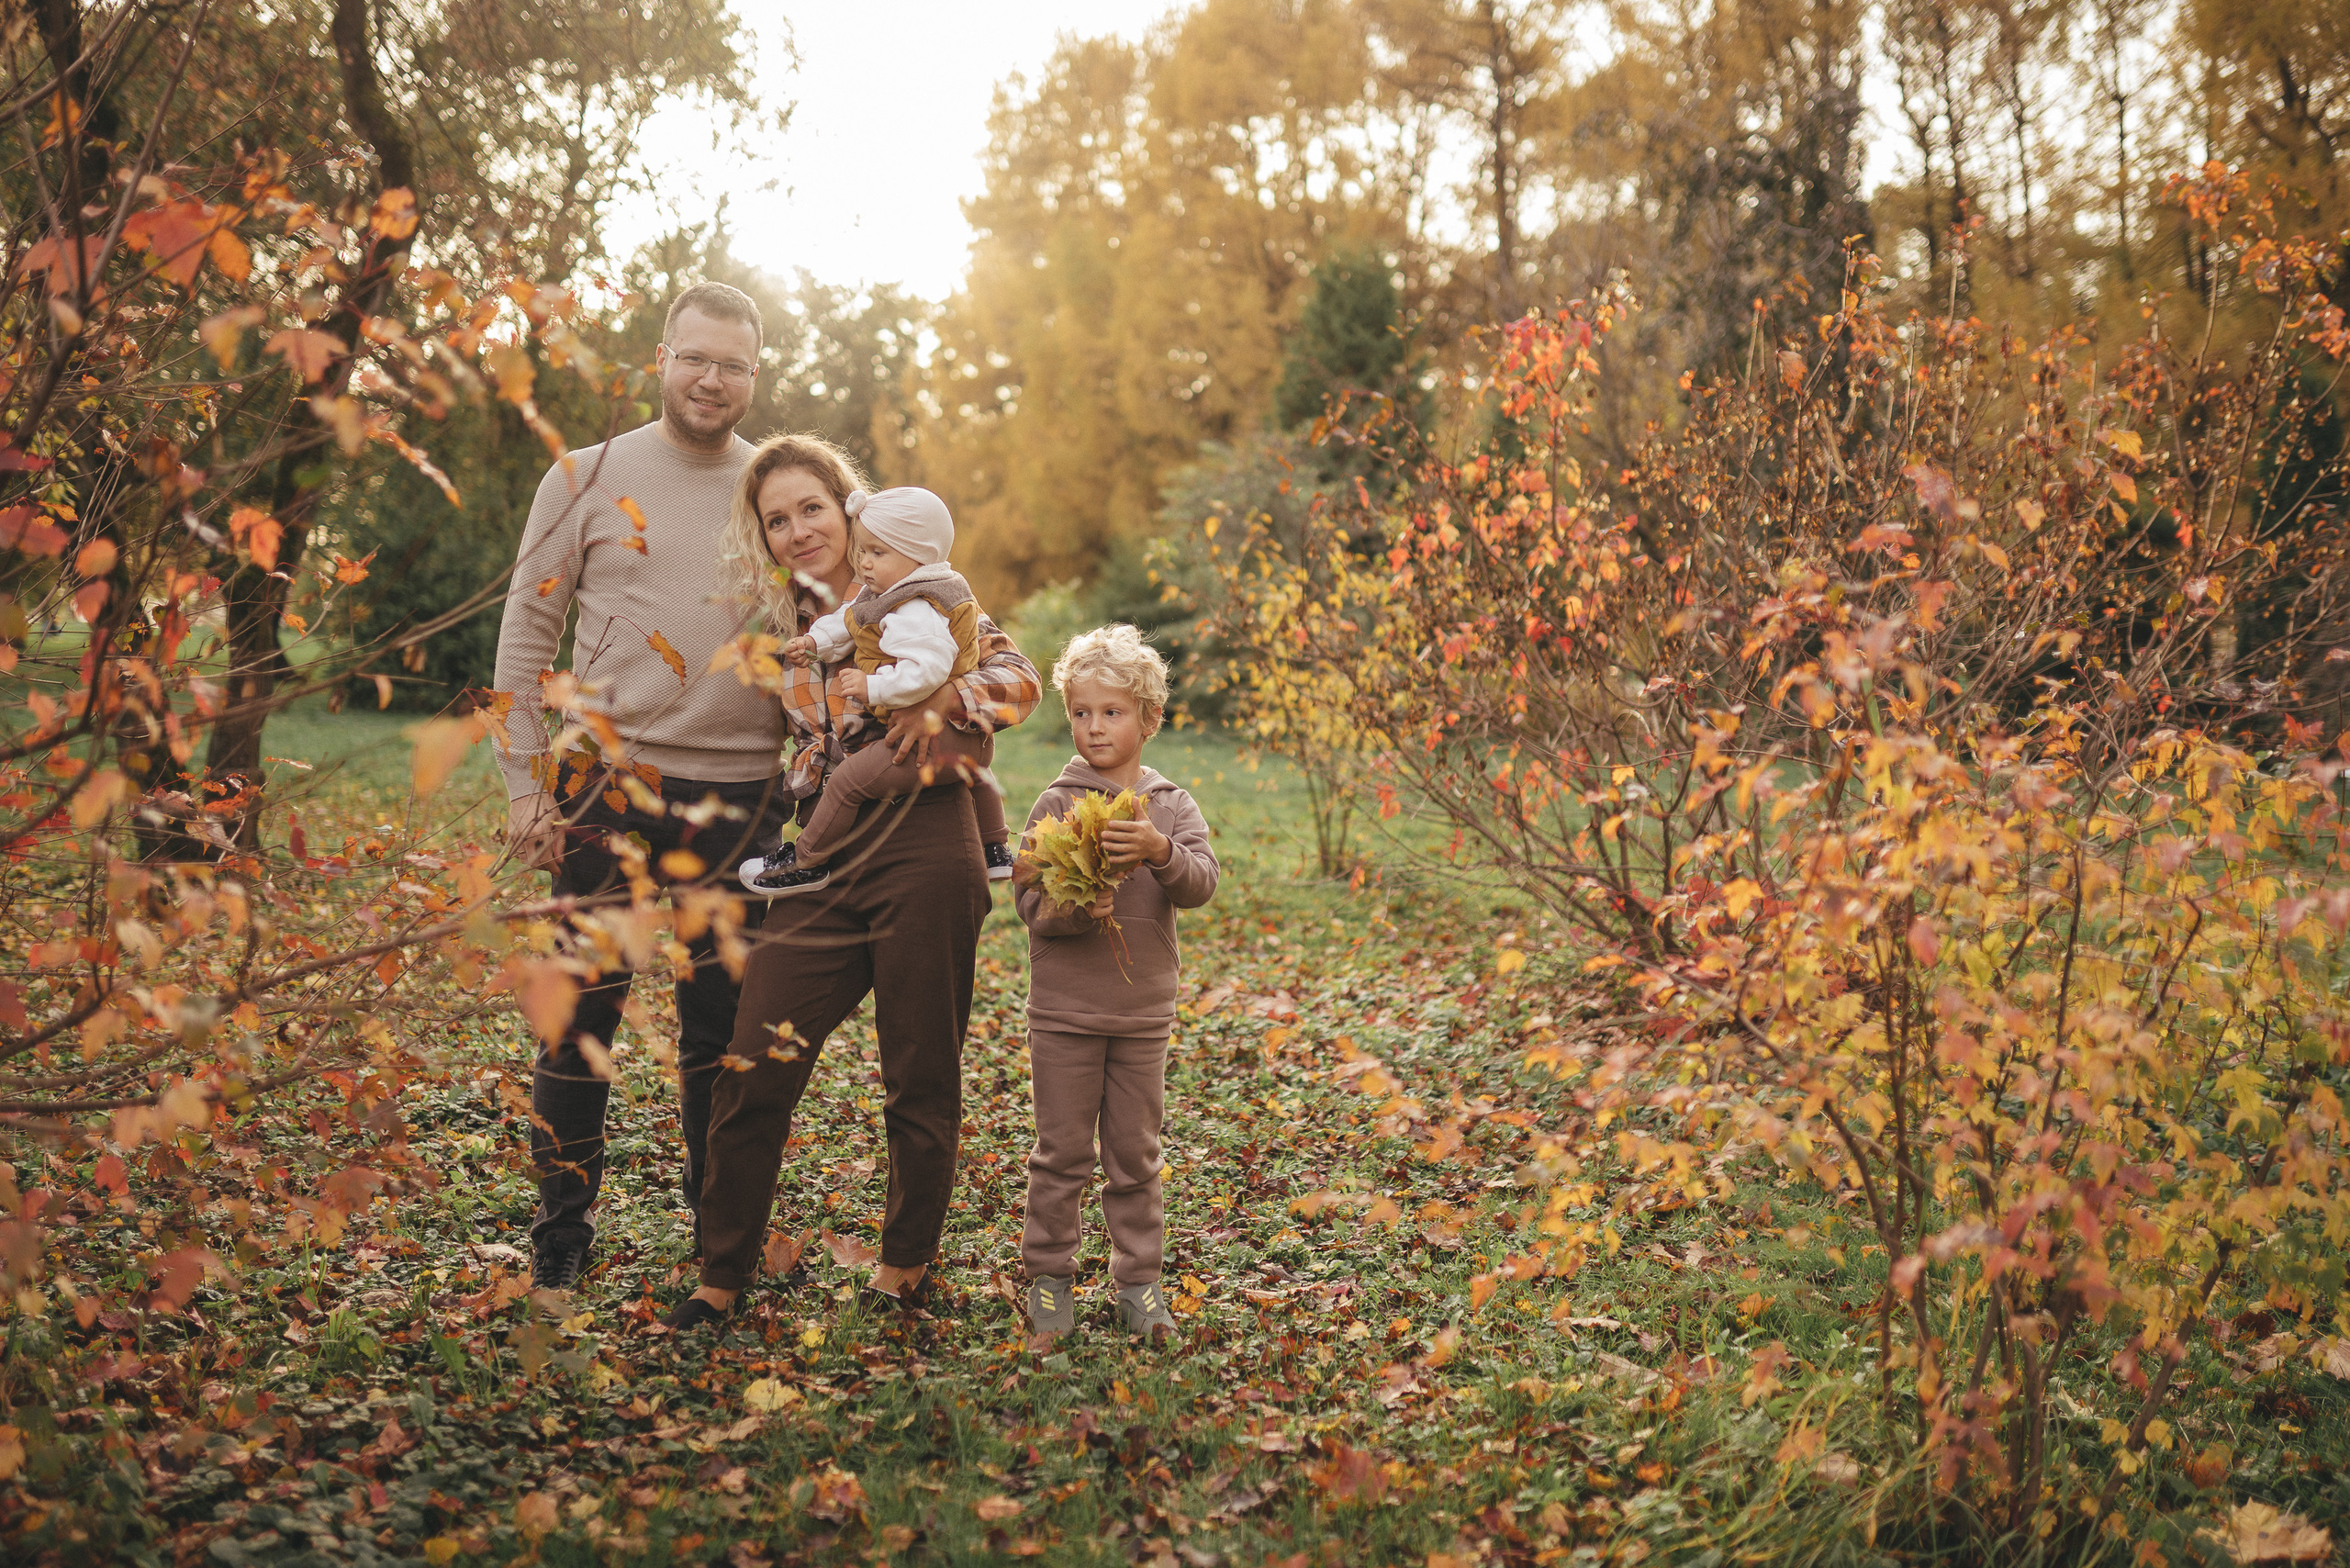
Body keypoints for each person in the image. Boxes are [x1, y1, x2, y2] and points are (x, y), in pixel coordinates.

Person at [656, 433, 1041, 1329]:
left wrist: (951, 702)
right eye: (776, 519)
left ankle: (904, 1265)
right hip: (822, 860)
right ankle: (720, 1277)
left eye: (811, 509)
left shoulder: (917, 592)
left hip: (927, 848)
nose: (797, 531)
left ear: (848, 506)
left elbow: (1017, 680)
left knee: (918, 1069)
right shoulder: (780, 625)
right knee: (754, 1061)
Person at [490, 282, 790, 1294]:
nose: (713, 379)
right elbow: (526, 635)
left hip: (745, 802)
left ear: (757, 374)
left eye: (734, 364)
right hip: (603, 794)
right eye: (696, 357)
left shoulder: (775, 491)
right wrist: (527, 786)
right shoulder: (585, 475)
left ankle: (720, 1239)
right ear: (661, 357)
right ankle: (561, 1239)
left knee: (723, 1037)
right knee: (580, 1023)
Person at [1013, 626, 1218, 1343]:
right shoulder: (1053, 803)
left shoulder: (1170, 806)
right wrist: (1074, 911)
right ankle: (1049, 1282)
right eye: (1080, 712)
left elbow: (1201, 885)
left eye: (1112, 712)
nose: (1094, 727)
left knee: (1135, 1154)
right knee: (1062, 1151)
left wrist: (1161, 853)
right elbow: (1030, 906)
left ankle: (1138, 1283)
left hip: (1141, 1016)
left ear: (1148, 719)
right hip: (1065, 1013)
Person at [737, 485, 1013, 896]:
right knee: (977, 769)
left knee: (850, 780)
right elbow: (849, 623)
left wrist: (879, 687)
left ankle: (808, 860)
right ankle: (996, 847)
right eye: (777, 521)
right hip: (951, 749)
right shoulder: (882, 594)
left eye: (876, 553)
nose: (864, 563)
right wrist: (813, 643)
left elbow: (932, 668)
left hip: (926, 752)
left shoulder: (917, 604)